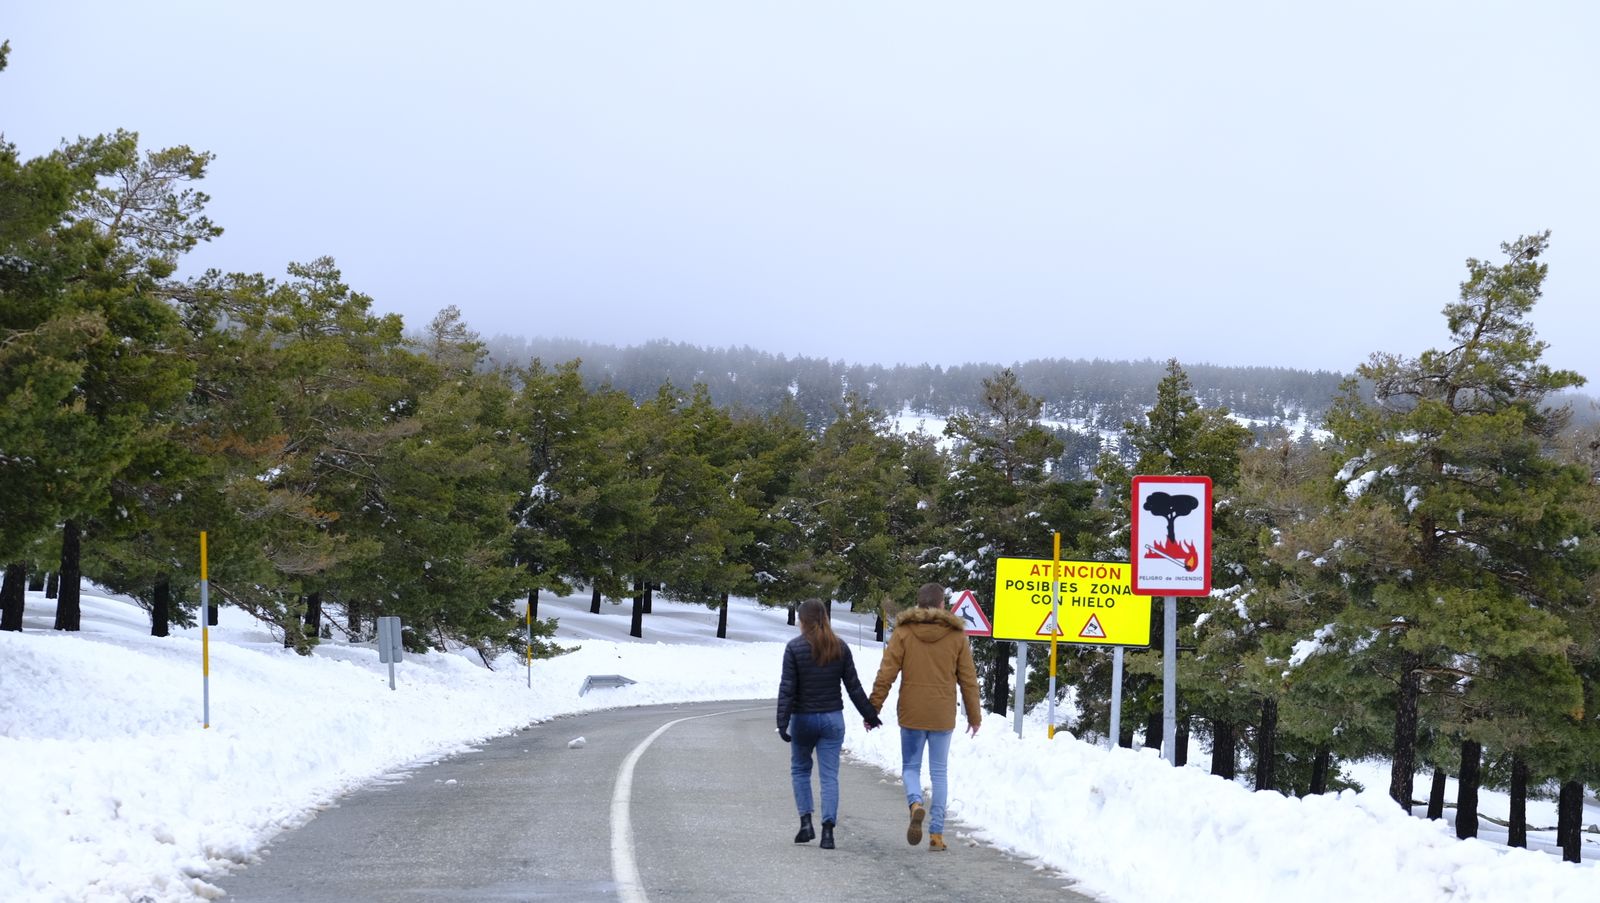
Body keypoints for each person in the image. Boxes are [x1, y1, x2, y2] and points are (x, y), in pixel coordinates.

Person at [869, 582, 983, 852]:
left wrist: (873, 708)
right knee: (940, 773)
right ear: (942, 605)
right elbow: (968, 679)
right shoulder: (956, 636)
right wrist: (974, 716)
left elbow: (887, 672)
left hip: (911, 712)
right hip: (942, 714)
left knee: (911, 767)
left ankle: (915, 803)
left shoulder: (904, 632)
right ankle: (937, 835)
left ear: (918, 604)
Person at [776, 598, 881, 850]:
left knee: (801, 770)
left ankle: (805, 824)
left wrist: (782, 722)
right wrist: (870, 714)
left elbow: (787, 689)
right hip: (833, 719)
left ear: (803, 621)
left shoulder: (794, 648)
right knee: (829, 776)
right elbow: (853, 687)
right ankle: (828, 833)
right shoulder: (840, 647)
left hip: (803, 719)